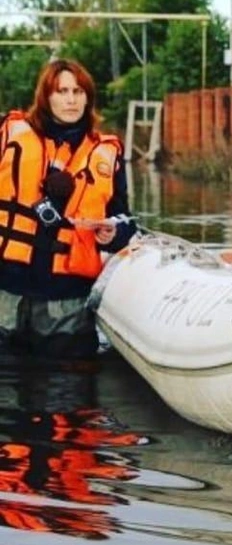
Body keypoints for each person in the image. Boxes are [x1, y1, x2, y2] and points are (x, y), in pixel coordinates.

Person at [0, 59, 137, 352]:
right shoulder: (9, 135)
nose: (71, 99)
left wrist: (113, 231)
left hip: (65, 304)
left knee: (66, 391)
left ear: (88, 97)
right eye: (62, 91)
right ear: (46, 96)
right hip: (5, 295)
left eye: (78, 91)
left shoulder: (105, 152)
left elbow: (126, 220)